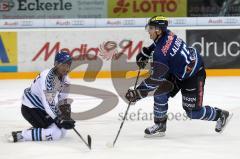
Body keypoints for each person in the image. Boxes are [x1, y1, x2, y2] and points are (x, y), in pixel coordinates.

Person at [125, 15, 230, 137]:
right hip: (180, 71)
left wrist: (137, 93)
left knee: (192, 112)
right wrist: (147, 51)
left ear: (159, 30)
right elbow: (159, 45)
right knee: (160, 91)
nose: (149, 30)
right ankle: (160, 125)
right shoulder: (168, 34)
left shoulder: (161, 55)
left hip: (194, 74)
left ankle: (220, 114)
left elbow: (155, 79)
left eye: (151, 28)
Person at [8, 51, 75, 142]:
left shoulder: (66, 81)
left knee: (63, 131)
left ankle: (35, 131)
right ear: (56, 64)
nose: (66, 68)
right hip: (31, 108)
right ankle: (21, 135)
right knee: (55, 133)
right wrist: (59, 119)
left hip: (43, 109)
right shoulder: (48, 78)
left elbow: (62, 100)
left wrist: (66, 115)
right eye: (64, 64)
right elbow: (49, 104)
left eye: (68, 65)